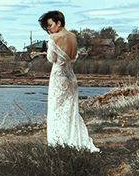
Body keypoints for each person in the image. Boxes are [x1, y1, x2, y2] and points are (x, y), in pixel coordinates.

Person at [39, 10, 99, 152]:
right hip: (71, 76)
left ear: (58, 23)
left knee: (56, 109)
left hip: (59, 76)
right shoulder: (73, 37)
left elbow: (51, 59)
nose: (49, 29)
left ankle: (59, 142)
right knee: (70, 109)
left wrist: (50, 44)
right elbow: (73, 58)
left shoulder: (53, 39)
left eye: (50, 25)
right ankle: (72, 140)